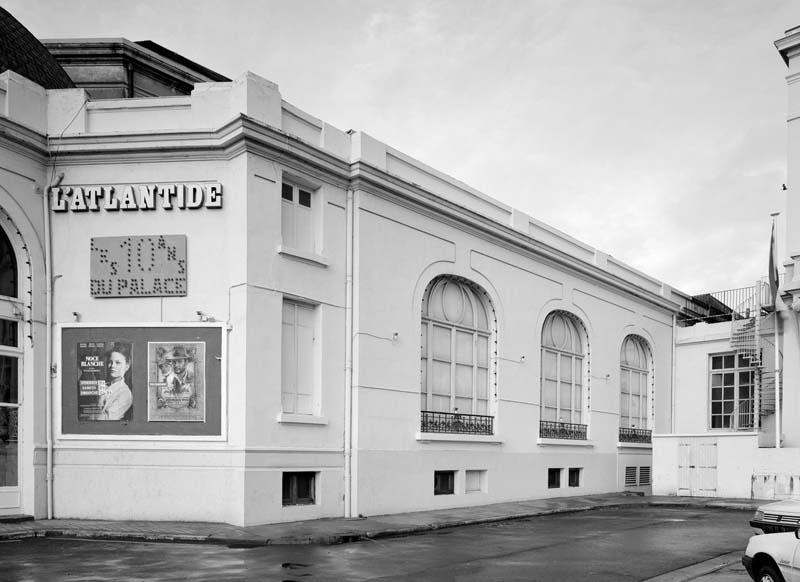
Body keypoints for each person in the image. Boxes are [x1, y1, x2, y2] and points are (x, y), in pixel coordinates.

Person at [98, 343, 133, 420]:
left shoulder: (125, 393)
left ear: (127, 366)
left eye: (117, 363)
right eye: (110, 362)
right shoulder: (104, 385)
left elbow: (104, 418)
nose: (112, 366)